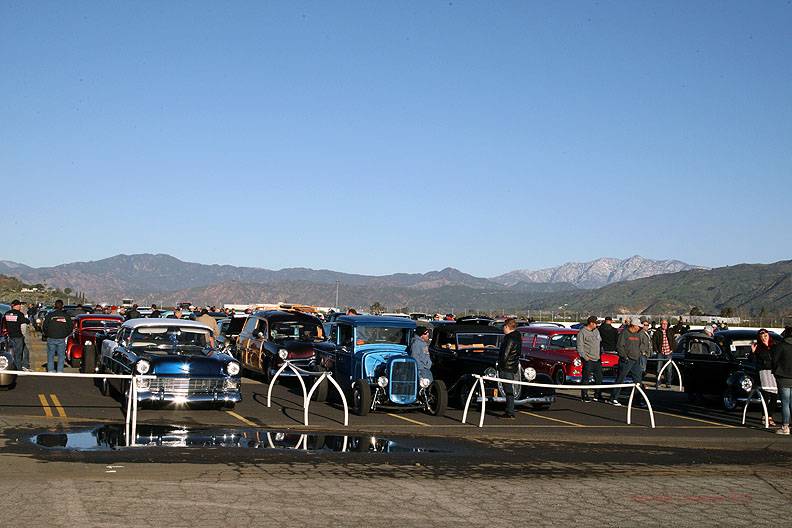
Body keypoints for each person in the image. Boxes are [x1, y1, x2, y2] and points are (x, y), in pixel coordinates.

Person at [610, 319, 651, 406]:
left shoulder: (638, 334)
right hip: (626, 361)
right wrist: (625, 356)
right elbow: (620, 346)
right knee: (620, 379)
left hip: (635, 360)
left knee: (638, 380)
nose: (639, 328)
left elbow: (641, 345)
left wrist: (640, 353)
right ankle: (613, 398)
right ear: (633, 325)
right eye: (638, 326)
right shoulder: (624, 333)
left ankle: (637, 400)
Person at [752, 329, 777, 427]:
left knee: (775, 395)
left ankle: (770, 416)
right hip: (763, 372)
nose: (764, 337)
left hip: (773, 372)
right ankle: (764, 416)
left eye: (765, 335)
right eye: (761, 336)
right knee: (766, 395)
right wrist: (753, 352)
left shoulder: (774, 346)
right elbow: (753, 361)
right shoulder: (758, 347)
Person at [497, 317, 521, 419]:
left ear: (507, 326)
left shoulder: (509, 338)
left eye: (504, 326)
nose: (503, 329)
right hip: (513, 366)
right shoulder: (517, 336)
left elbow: (505, 354)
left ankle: (510, 411)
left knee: (508, 389)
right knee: (509, 389)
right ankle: (509, 410)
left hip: (506, 367)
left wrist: (500, 364)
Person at [42, 300, 73, 373]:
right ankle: (60, 371)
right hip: (61, 338)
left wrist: (48, 334)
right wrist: (65, 334)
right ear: (62, 306)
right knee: (61, 355)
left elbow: (44, 326)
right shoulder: (66, 316)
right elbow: (70, 327)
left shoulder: (49, 315)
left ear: (55, 306)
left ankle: (50, 370)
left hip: (51, 338)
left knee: (50, 355)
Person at [577, 315, 603, 402]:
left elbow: (599, 342)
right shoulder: (582, 332)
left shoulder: (596, 331)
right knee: (586, 378)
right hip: (588, 359)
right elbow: (580, 347)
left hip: (597, 359)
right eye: (596, 323)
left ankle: (597, 394)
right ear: (591, 323)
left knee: (599, 378)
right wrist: (585, 357)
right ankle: (584, 395)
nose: (597, 325)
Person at [772, 330, 792, 435]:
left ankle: (785, 426)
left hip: (783, 376)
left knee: (785, 402)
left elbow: (775, 360)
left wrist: (775, 371)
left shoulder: (781, 346)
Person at [1, 300, 30, 371]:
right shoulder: (19, 314)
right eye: (19, 305)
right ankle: (18, 369)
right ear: (17, 306)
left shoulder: (6, 314)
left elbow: (4, 324)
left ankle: (24, 365)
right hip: (18, 336)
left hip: (10, 336)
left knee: (22, 351)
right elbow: (26, 321)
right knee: (18, 354)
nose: (20, 307)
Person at [652, 319, 676, 388]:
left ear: (667, 324)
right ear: (661, 324)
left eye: (665, 324)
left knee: (669, 369)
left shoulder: (670, 331)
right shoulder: (657, 332)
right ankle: (658, 382)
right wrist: (656, 350)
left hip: (669, 352)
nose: (664, 325)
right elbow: (654, 342)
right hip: (660, 353)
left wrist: (672, 349)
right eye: (663, 324)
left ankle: (668, 383)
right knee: (658, 369)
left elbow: (677, 328)